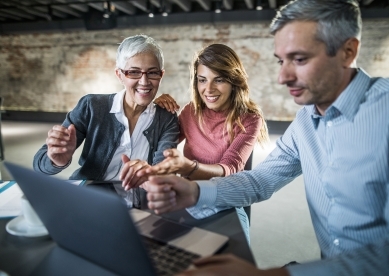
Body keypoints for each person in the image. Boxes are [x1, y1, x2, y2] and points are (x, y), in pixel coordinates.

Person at [144, 0, 389, 275]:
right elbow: (262, 180)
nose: (282, 77)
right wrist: (195, 191)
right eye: (281, 61)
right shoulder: (307, 119)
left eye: (299, 59)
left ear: (348, 51)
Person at [136, 43, 269, 241]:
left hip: (225, 200)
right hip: (186, 197)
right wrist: (155, 112)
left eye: (219, 80)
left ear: (233, 80)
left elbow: (230, 167)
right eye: (202, 80)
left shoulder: (249, 119)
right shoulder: (190, 112)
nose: (208, 89)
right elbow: (157, 143)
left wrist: (188, 167)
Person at [33, 34, 179, 208]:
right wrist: (57, 159)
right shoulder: (92, 106)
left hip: (138, 206)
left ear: (161, 75)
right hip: (88, 199)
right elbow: (39, 164)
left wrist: (151, 172)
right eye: (133, 72)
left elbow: (163, 169)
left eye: (152, 72)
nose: (144, 81)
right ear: (119, 74)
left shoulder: (167, 118)